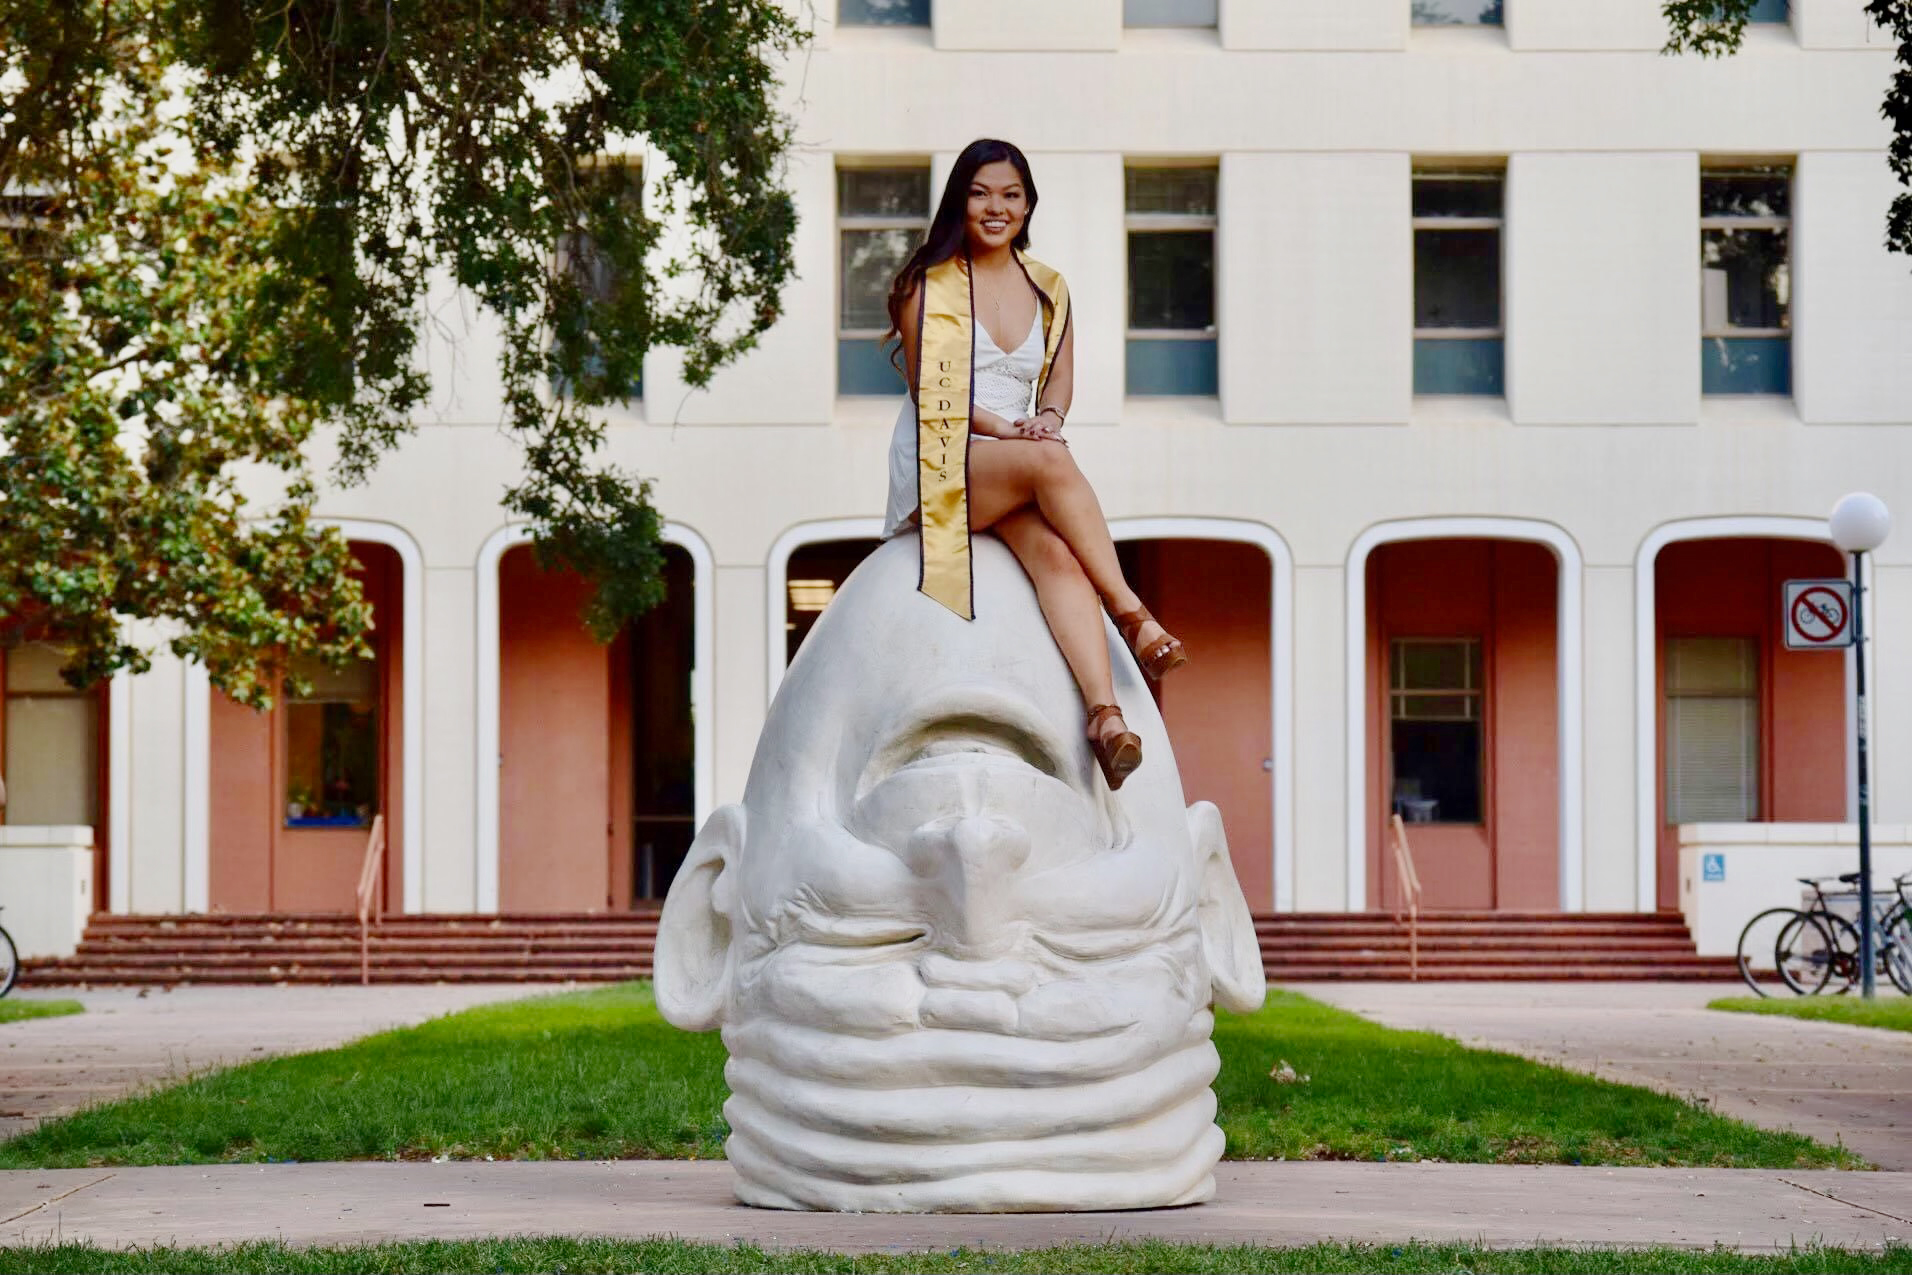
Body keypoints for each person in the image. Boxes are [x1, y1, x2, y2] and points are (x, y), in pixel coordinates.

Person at [880, 137, 1185, 790]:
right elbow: (935, 398)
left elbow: (1059, 384)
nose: (997, 207)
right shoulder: (926, 284)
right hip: (946, 462)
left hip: (1013, 465)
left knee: (1059, 557)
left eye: (1011, 195)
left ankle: (1106, 719)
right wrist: (1016, 434)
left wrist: (1047, 418)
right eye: (982, 192)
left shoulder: (1049, 287)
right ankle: (1132, 613)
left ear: (1028, 204)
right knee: (1049, 464)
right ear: (960, 201)